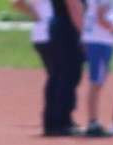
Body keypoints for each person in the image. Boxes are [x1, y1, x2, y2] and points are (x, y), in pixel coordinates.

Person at [41, 0, 85, 136]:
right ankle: (62, 121)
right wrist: (84, 34)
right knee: (68, 75)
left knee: (57, 74)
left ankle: (52, 121)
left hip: (59, 25)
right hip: (68, 27)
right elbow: (73, 7)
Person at [79, 0, 113, 135]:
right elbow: (101, 19)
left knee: (97, 82)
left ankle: (93, 121)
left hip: (95, 39)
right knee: (96, 82)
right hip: (100, 40)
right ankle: (93, 122)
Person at [12, 0, 52, 70]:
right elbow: (16, 3)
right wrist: (32, 13)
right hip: (43, 33)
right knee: (59, 72)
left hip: (58, 31)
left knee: (60, 73)